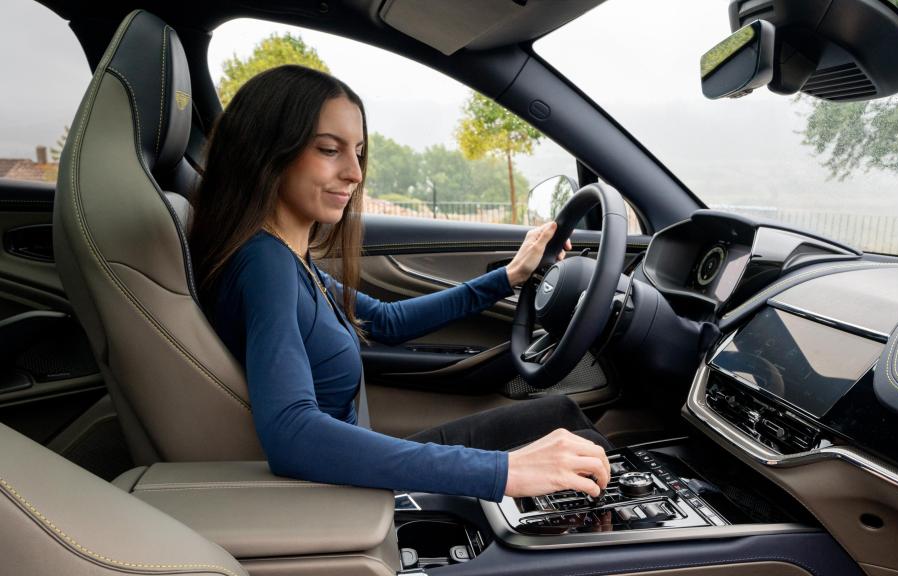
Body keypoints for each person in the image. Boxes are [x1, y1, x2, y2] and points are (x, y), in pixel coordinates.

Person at [189, 65, 611, 503]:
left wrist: (508, 276)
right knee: (577, 445)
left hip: (354, 476)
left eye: (358, 152)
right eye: (329, 150)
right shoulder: (264, 265)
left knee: (563, 417)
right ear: (266, 152)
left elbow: (387, 321)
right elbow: (291, 433)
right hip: (342, 497)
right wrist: (504, 471)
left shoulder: (291, 256)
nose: (355, 172)